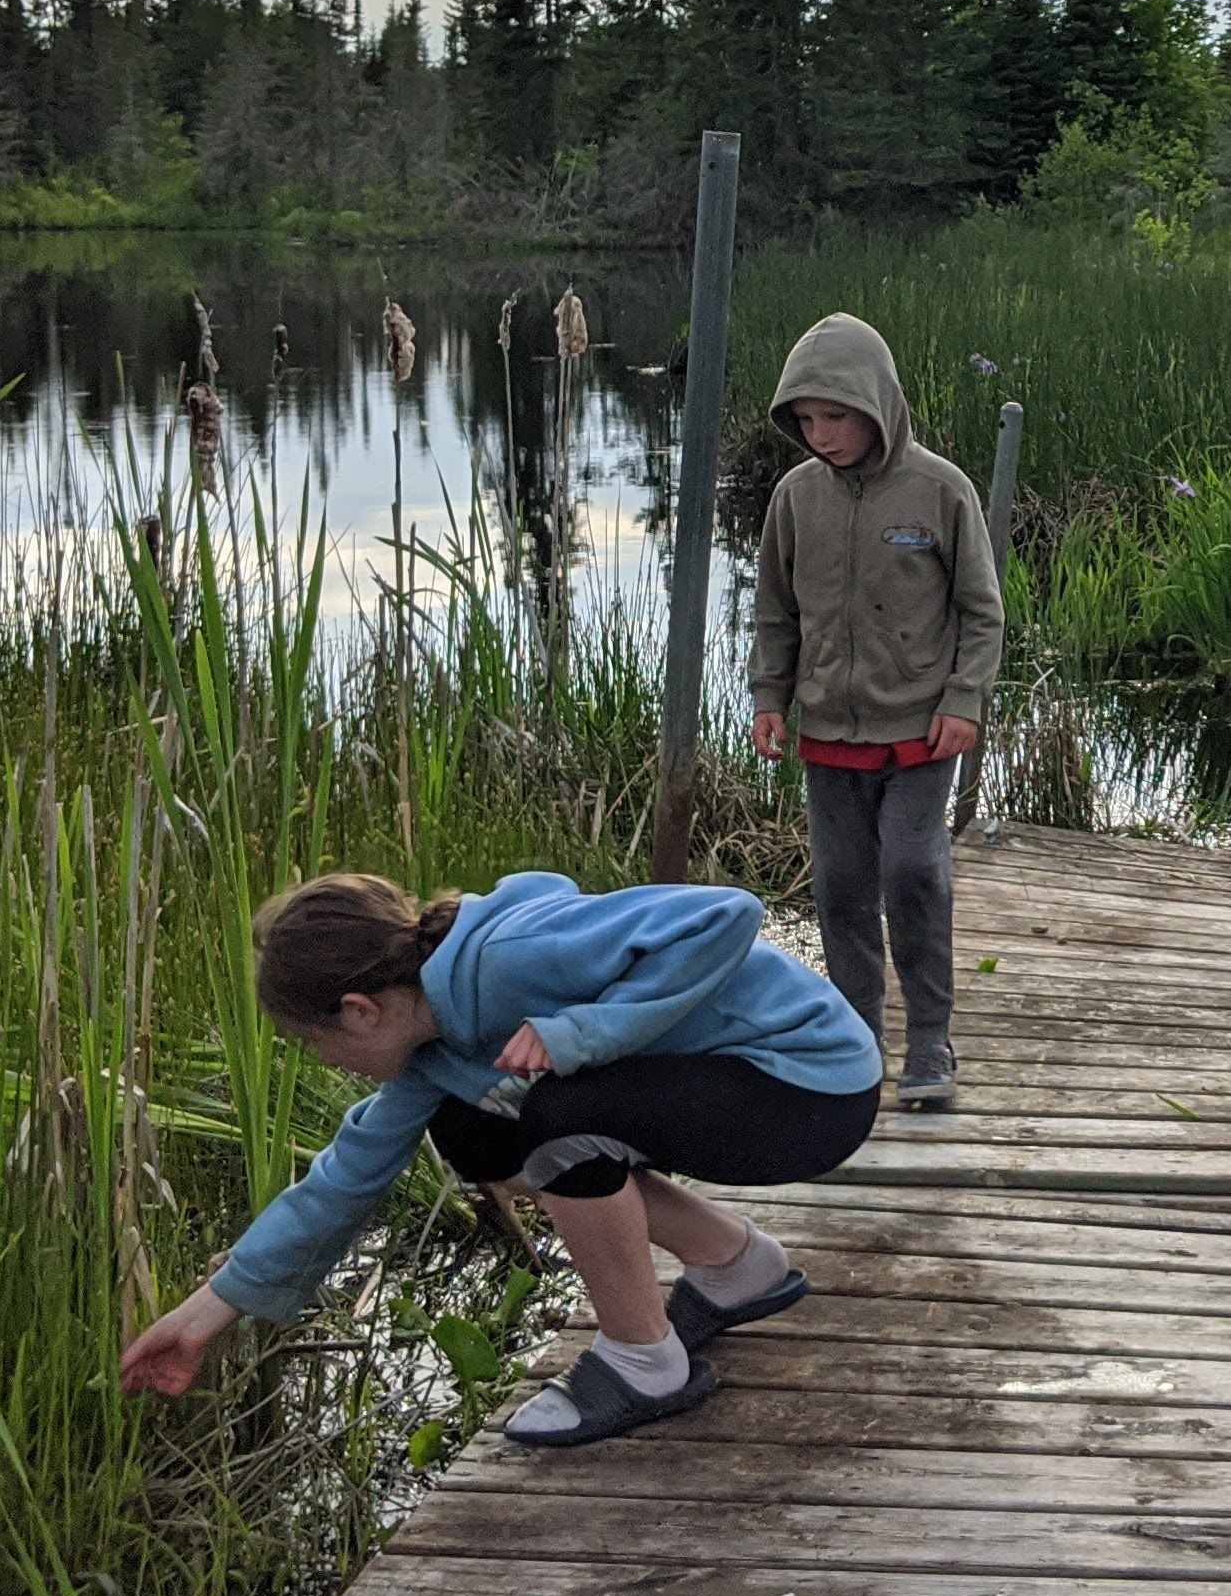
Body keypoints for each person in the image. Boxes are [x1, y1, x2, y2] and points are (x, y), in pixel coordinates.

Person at [117, 869, 881, 1446]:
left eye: (313, 1043)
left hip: (809, 1084)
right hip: (743, 1089)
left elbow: (727, 913)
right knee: (473, 1132)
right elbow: (344, 1180)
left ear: (359, 1010)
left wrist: (585, 1032)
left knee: (557, 1118)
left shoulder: (509, 956)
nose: (323, 1061)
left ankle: (643, 1364)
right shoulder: (432, 1051)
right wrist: (207, 1312)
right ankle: (736, 1265)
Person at [748, 311, 1003, 1110]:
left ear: (879, 405)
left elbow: (982, 612)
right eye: (806, 420)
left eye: (837, 415)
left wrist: (964, 699)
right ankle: (857, 1040)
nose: (820, 435)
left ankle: (930, 1039)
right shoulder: (794, 498)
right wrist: (769, 697)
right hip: (828, 730)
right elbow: (775, 612)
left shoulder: (941, 490)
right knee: (841, 887)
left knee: (913, 871)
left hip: (924, 729)